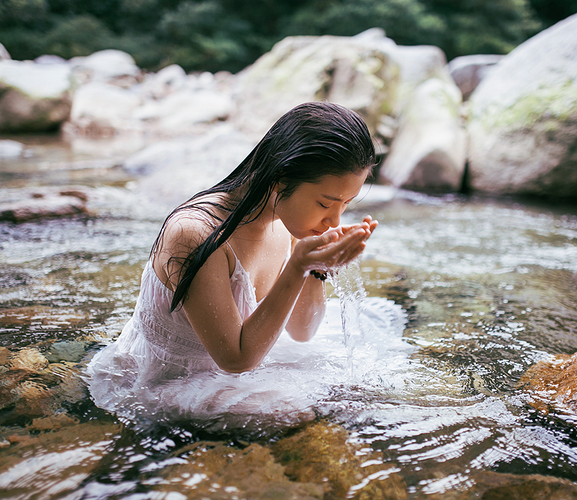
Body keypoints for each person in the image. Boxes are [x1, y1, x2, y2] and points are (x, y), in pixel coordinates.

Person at [85, 102, 406, 427]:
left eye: (346, 205)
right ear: (280, 179)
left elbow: (303, 330)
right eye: (326, 203)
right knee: (293, 413)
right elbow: (235, 360)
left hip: (250, 356)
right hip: (173, 378)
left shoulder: (288, 221)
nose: (334, 221)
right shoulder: (196, 234)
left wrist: (317, 267)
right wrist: (297, 266)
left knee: (370, 366)